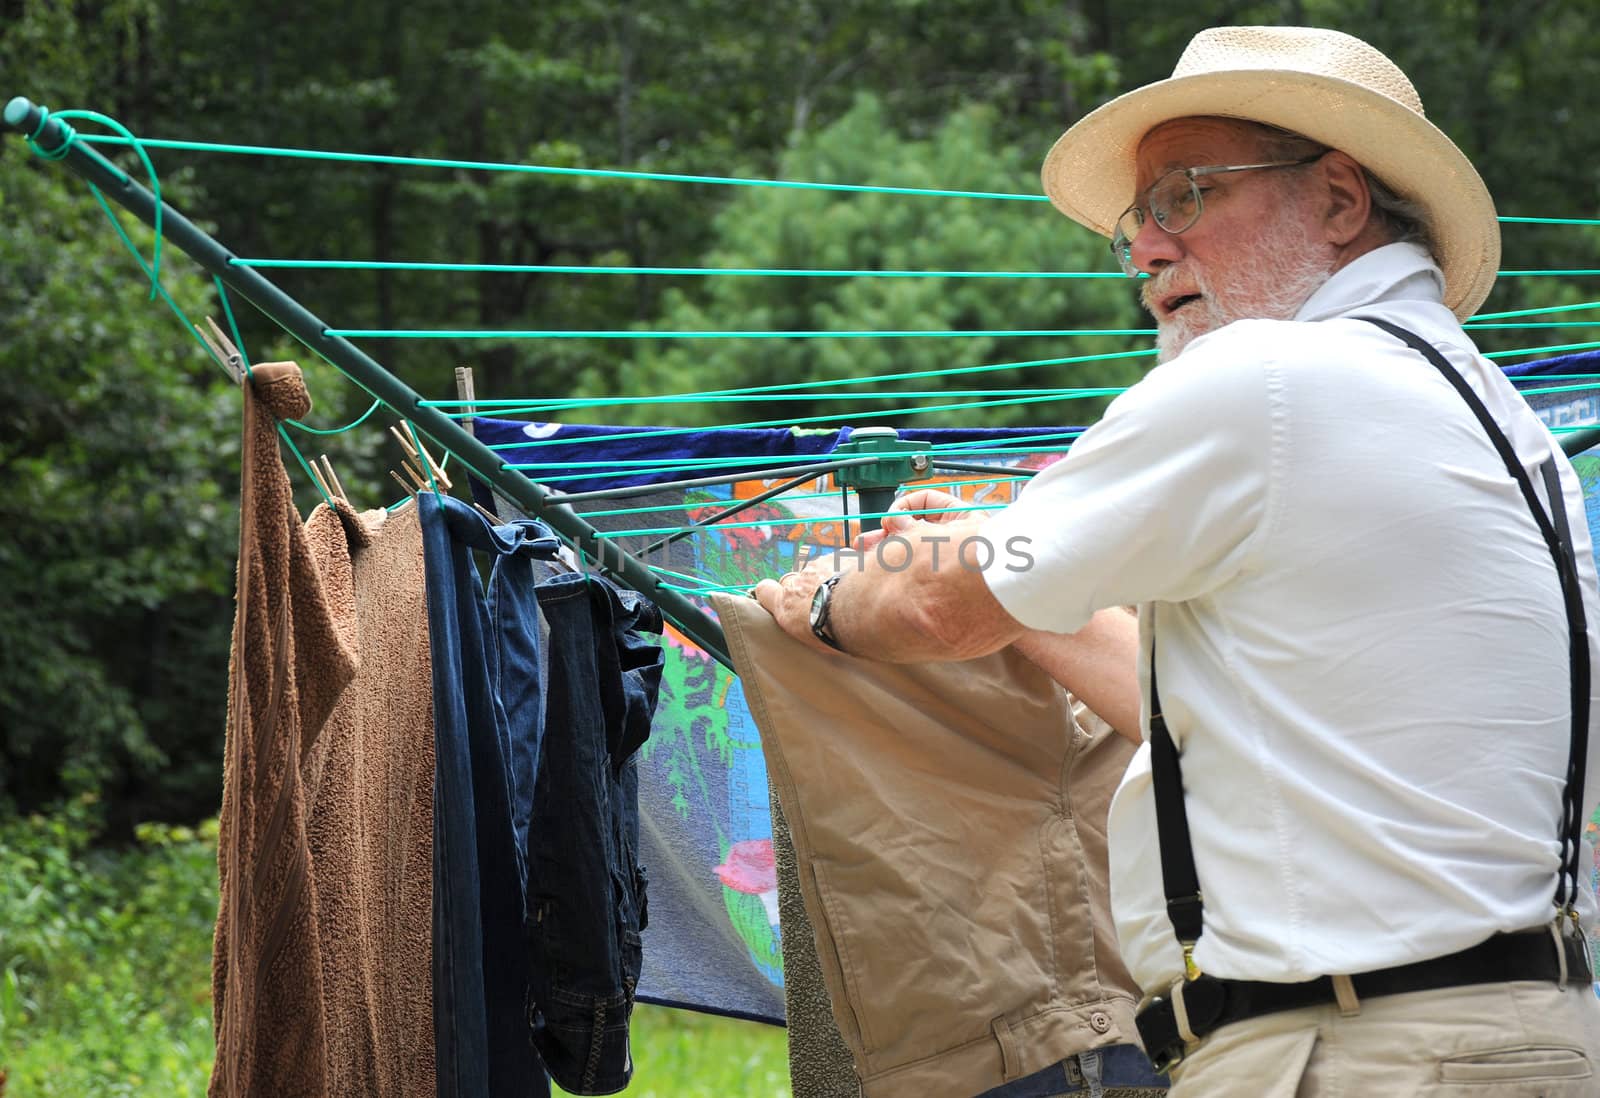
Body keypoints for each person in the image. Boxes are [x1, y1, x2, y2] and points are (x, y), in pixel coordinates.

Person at [752, 24, 1600, 1096]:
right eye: (1137, 220)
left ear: (1339, 200)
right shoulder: (1494, 418)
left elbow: (940, 608)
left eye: (1188, 195)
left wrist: (840, 594)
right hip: (1495, 1032)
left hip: (1357, 1050)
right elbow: (1234, 720)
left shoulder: (1270, 377)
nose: (1149, 246)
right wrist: (1025, 562)